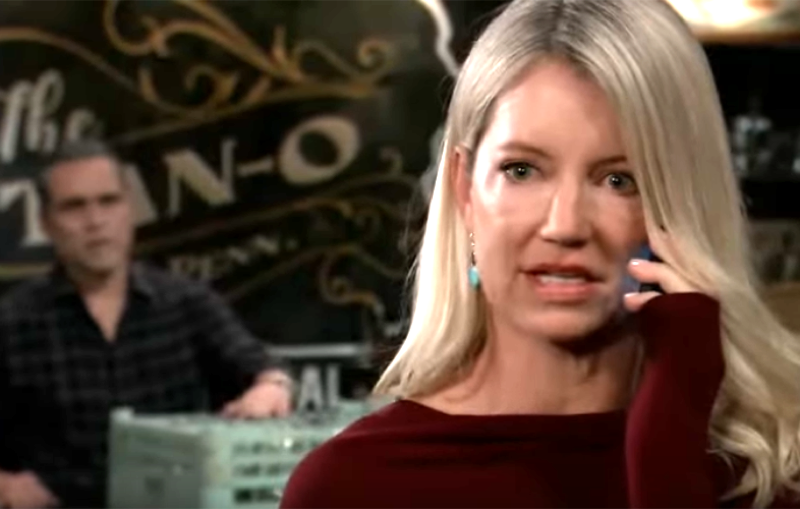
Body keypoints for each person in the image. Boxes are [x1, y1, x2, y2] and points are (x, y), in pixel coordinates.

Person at [279, 0, 800, 508]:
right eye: (522, 170)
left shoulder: (769, 476)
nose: (564, 225)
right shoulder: (351, 487)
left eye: (619, 180)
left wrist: (673, 428)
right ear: (464, 188)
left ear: (682, 202)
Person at [0, 140, 294, 509]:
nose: (95, 221)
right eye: (74, 207)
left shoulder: (186, 303)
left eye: (108, 201)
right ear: (46, 223)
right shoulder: (12, 321)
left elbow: (263, 369)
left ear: (130, 210)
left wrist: (271, 387)